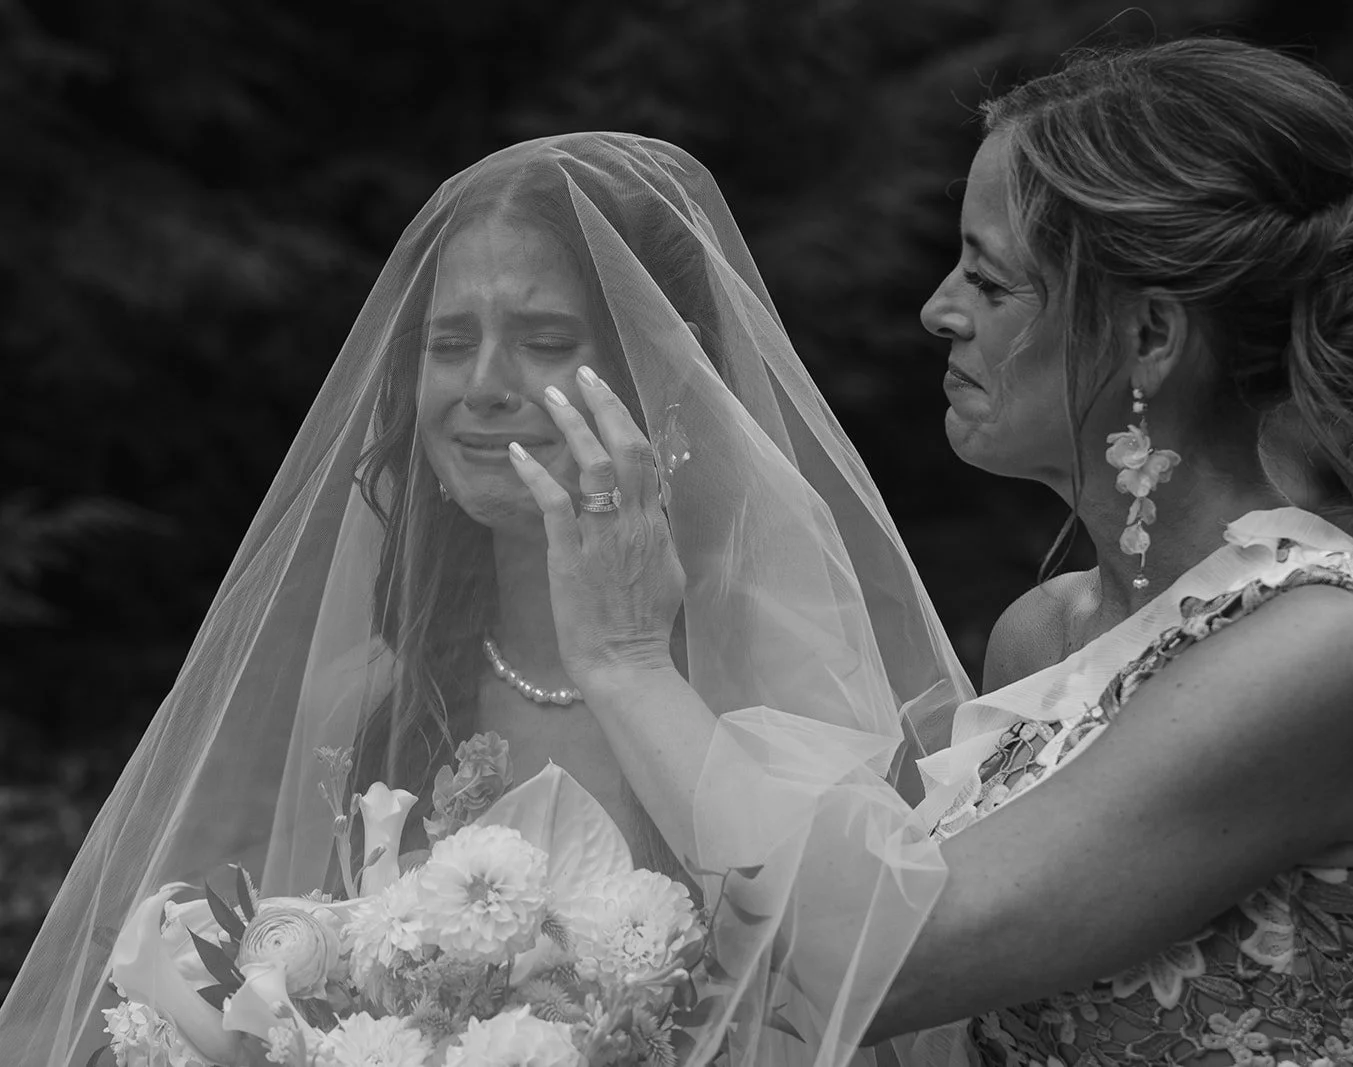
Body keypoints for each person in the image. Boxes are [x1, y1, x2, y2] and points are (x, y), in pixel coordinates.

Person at [507, 38, 1353, 1067]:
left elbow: (881, 964)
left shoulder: (1321, 652)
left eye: (987, 280)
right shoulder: (1046, 634)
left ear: (1149, 336)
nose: (938, 309)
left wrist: (627, 659)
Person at [0, 133, 970, 1066]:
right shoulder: (372, 691)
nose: (481, 386)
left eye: (543, 339)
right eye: (448, 341)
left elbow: (869, 993)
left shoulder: (773, 663)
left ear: (658, 376)